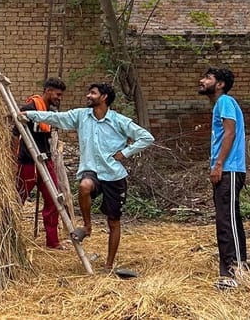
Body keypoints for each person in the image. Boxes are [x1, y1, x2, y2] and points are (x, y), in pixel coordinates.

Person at [18, 83, 154, 272]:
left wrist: (125, 153)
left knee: (113, 222)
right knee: (84, 186)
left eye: (93, 93)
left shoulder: (118, 120)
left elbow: (146, 137)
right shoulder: (81, 116)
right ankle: (87, 227)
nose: (88, 96)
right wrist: (30, 115)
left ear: (104, 97)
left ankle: (108, 265)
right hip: (92, 171)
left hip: (114, 175)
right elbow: (55, 118)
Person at [199, 67, 247, 290]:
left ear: (220, 84)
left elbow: (230, 132)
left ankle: (233, 273)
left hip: (229, 169)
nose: (202, 81)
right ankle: (237, 270)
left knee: (227, 222)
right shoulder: (220, 104)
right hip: (226, 169)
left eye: (207, 78)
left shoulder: (225, 101)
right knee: (227, 220)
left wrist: (218, 164)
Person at [15, 78, 68, 249]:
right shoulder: (29, 109)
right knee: (18, 200)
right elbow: (15, 134)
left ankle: (52, 242)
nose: (59, 98)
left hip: (46, 161)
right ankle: (10, 238)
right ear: (48, 91)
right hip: (28, 162)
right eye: (57, 94)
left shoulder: (50, 113)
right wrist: (13, 159)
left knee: (54, 200)